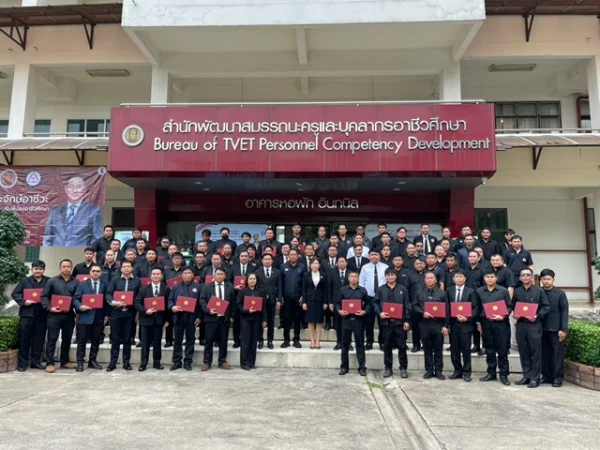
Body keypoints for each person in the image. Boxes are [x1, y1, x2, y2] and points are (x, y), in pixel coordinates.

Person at [513, 268, 550, 388]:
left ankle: (535, 378)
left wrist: (537, 316)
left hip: (534, 325)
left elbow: (546, 306)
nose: (525, 277)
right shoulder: (517, 291)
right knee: (523, 352)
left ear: (532, 276)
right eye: (522, 275)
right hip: (521, 324)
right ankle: (526, 376)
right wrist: (515, 313)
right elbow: (513, 305)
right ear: (520, 278)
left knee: (535, 352)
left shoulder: (539, 291)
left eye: (527, 275)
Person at [42, 174, 103, 247]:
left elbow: (97, 239)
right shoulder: (55, 211)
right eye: (71, 187)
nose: (75, 190)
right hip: (56, 252)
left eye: (79, 187)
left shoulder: (94, 211)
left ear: (84, 189)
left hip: (80, 252)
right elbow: (47, 237)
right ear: (66, 189)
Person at [40, 259, 78, 373]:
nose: (66, 268)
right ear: (60, 268)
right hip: (54, 315)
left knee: (67, 339)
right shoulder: (52, 281)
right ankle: (50, 363)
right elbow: (44, 297)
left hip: (69, 315)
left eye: (68, 266)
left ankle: (64, 361)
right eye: (64, 266)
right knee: (52, 339)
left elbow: (77, 298)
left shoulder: (76, 282)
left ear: (71, 268)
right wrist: (50, 308)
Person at [12, 260, 49, 371]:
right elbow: (15, 293)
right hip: (27, 314)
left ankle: (35, 362)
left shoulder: (48, 281)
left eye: (40, 269)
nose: (38, 271)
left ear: (44, 270)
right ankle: (22, 364)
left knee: (39, 339)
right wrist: (24, 301)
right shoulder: (25, 281)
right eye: (36, 269)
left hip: (42, 314)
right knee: (24, 339)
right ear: (32, 270)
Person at [374, 268, 412, 379]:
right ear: (385, 276)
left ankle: (403, 368)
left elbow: (407, 305)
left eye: (392, 275)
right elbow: (375, 303)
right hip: (386, 323)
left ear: (396, 276)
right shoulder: (380, 289)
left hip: (400, 323)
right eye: (388, 275)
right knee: (387, 346)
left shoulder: (403, 289)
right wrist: (380, 313)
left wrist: (407, 320)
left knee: (402, 347)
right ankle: (388, 368)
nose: (390, 277)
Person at [477, 271, 512, 386]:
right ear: (484, 278)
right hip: (486, 323)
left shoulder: (503, 291)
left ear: (496, 278)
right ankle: (491, 373)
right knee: (489, 350)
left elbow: (509, 306)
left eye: (492, 277)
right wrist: (478, 322)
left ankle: (504, 374)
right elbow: (477, 307)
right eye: (487, 277)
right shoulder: (479, 291)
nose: (490, 279)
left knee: (502, 350)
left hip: (501, 323)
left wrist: (503, 316)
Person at [72, 264, 108, 372]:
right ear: (90, 272)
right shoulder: (82, 284)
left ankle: (92, 360)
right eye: (93, 271)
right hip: (85, 316)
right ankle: (80, 362)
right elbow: (75, 299)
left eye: (98, 271)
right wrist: (79, 306)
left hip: (99, 317)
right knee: (81, 341)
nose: (95, 273)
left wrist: (107, 315)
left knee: (96, 341)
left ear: (101, 273)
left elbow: (107, 301)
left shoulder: (105, 284)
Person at [105, 260, 140, 372]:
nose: (126, 268)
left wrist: (138, 311)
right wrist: (114, 302)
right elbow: (108, 294)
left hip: (130, 312)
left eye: (128, 266)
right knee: (115, 339)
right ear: (121, 268)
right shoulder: (115, 279)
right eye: (124, 266)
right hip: (116, 311)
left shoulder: (137, 280)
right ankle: (113, 362)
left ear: (132, 268)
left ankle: (126, 362)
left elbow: (140, 296)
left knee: (127, 338)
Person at [414, 272, 449, 379]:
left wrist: (445, 325)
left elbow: (447, 309)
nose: (429, 280)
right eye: (427, 278)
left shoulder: (442, 293)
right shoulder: (419, 292)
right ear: (424, 280)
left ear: (436, 280)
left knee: (438, 349)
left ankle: (438, 370)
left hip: (438, 324)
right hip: (424, 324)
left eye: (431, 278)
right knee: (427, 349)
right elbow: (414, 305)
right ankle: (429, 370)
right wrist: (422, 313)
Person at [135, 267, 170, 371]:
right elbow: (137, 303)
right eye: (154, 274)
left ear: (161, 276)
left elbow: (168, 305)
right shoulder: (143, 289)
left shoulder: (166, 289)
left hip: (159, 320)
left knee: (157, 343)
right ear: (150, 276)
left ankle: (157, 363)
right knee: (145, 343)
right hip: (146, 320)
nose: (155, 276)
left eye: (158, 274)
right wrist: (145, 311)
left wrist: (167, 320)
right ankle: (143, 363)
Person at [200, 267, 235, 370]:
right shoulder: (206, 287)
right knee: (209, 341)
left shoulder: (230, 287)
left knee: (223, 341)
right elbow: (202, 301)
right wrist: (208, 310)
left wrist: (232, 316)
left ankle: (222, 361)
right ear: (214, 276)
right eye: (218, 274)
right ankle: (207, 362)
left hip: (224, 319)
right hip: (211, 318)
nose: (219, 276)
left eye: (221, 274)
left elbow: (233, 303)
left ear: (225, 276)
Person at [447, 269, 479, 382]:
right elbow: (447, 307)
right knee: (454, 350)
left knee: (466, 350)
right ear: (453, 279)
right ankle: (457, 371)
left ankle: (467, 372)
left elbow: (475, 308)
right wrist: (447, 324)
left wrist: (467, 318)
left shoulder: (471, 291)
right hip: (454, 324)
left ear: (465, 279)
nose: (459, 279)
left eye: (461, 277)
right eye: (457, 277)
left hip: (466, 324)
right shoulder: (449, 291)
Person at [540, 269, 569, 387]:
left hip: (556, 329)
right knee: (544, 353)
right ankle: (546, 376)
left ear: (553, 280)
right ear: (541, 280)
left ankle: (557, 378)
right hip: (541, 328)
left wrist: (563, 329)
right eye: (544, 279)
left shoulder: (560, 294)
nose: (546, 281)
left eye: (548, 279)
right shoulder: (538, 292)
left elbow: (564, 312)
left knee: (557, 355)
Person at [168, 267, 202, 371]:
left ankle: (188, 361)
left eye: (189, 273)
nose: (187, 275)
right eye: (185, 273)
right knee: (177, 340)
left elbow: (201, 303)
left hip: (192, 317)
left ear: (193, 274)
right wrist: (172, 307)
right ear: (182, 275)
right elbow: (170, 300)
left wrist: (199, 317)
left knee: (190, 340)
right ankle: (177, 361)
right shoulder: (176, 287)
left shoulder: (198, 287)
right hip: (179, 317)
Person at [336, 271, 368, 376]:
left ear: (358, 278)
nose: (354, 278)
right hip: (346, 320)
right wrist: (339, 311)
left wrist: (364, 311)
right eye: (352, 276)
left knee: (360, 344)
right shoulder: (343, 290)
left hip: (358, 320)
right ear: (348, 278)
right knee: (344, 344)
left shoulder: (363, 290)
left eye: (355, 277)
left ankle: (362, 368)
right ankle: (344, 367)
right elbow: (337, 303)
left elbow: (368, 304)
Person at [237, 273, 267, 370]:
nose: (252, 281)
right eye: (250, 279)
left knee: (253, 342)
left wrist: (264, 319)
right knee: (245, 342)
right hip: (245, 319)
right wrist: (246, 310)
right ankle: (244, 363)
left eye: (254, 279)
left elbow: (264, 306)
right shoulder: (242, 291)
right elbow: (238, 304)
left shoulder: (260, 291)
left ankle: (252, 362)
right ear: (247, 280)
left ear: (256, 280)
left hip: (256, 319)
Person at [359, 250, 388, 350]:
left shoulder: (385, 267)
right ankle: (369, 342)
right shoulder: (365, 268)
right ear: (369, 256)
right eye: (372, 255)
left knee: (382, 322)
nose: (374, 256)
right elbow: (361, 283)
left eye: (376, 255)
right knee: (368, 322)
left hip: (382, 298)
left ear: (380, 256)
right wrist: (362, 298)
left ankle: (382, 342)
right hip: (369, 298)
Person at [301, 258, 330, 349]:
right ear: (310, 265)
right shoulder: (306, 275)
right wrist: (304, 302)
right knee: (311, 321)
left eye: (316, 263)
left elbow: (326, 290)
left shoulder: (324, 275)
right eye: (313, 263)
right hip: (309, 300)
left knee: (319, 321)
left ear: (319, 265)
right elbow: (304, 289)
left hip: (320, 301)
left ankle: (318, 341)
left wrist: (326, 302)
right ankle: (312, 341)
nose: (314, 265)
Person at [255, 254, 282, 349]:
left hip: (272, 299)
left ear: (272, 261)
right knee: (260, 321)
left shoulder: (277, 272)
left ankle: (270, 340)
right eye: (265, 259)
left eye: (269, 259)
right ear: (262, 261)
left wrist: (279, 299)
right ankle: (260, 340)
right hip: (260, 300)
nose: (267, 261)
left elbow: (279, 286)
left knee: (271, 321)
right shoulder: (257, 271)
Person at [280, 249, 305, 348]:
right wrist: (280, 296)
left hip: (298, 297)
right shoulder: (283, 266)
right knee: (287, 319)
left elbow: (304, 283)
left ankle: (296, 339)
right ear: (288, 256)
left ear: (298, 256)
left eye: (295, 254)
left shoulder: (302, 267)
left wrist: (303, 295)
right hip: (286, 297)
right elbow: (280, 283)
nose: (293, 256)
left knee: (297, 319)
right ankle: (286, 340)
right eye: (291, 254)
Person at [231, 250, 256, 348]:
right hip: (237, 296)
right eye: (242, 256)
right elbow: (228, 281)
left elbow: (256, 280)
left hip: (250, 296)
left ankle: (247, 340)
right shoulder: (233, 268)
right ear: (239, 257)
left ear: (249, 257)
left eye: (246, 256)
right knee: (237, 320)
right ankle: (236, 340)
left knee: (247, 320)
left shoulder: (253, 268)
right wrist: (234, 287)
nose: (244, 258)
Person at [330, 256, 350, 351]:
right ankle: (339, 342)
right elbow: (329, 288)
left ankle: (348, 343)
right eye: (340, 262)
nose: (341, 263)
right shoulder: (332, 273)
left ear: (346, 263)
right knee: (338, 324)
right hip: (336, 302)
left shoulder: (351, 273)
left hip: (349, 302)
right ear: (337, 263)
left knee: (348, 324)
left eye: (343, 261)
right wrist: (330, 302)